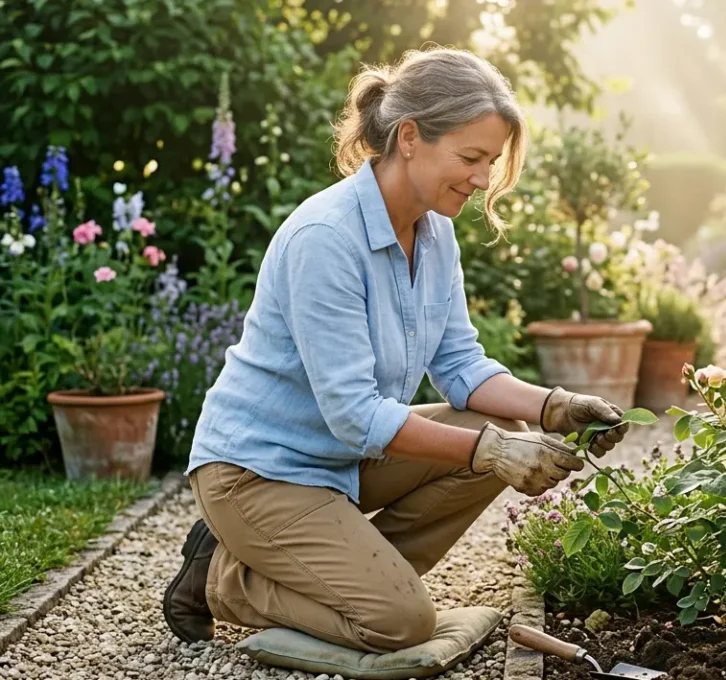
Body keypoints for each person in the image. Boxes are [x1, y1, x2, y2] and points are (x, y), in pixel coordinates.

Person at [161, 46, 632, 653]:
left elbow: (461, 367)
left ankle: (348, 574)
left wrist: (557, 407)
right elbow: (355, 413)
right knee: (401, 624)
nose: (484, 179)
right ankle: (225, 581)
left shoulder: (436, 235)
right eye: (471, 157)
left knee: (499, 421)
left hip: (340, 460)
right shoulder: (326, 238)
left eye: (490, 161)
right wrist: (492, 451)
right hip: (260, 472)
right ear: (409, 137)